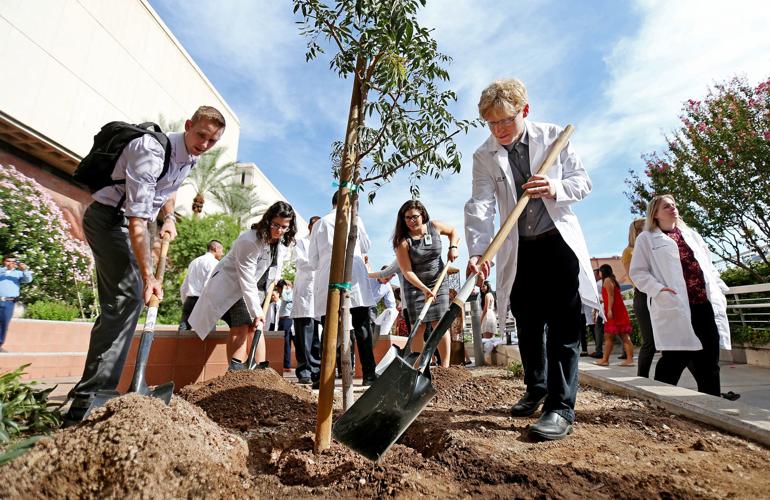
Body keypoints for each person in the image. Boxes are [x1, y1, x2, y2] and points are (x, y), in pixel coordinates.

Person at [64, 106, 226, 425]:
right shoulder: (150, 150)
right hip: (111, 219)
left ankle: (99, 389)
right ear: (188, 125)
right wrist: (149, 275)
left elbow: (170, 186)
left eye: (212, 141)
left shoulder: (189, 156)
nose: (205, 145)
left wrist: (168, 218)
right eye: (201, 135)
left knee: (130, 302)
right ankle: (88, 399)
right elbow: (136, 220)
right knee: (126, 299)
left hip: (134, 223)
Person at [465, 78, 599, 441]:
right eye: (492, 124)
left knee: (562, 326)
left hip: (557, 243)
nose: (500, 130)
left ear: (525, 110)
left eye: (506, 121)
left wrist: (555, 188)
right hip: (519, 249)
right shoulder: (484, 155)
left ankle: (560, 407)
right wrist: (478, 251)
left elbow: (582, 182)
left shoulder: (554, 137)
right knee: (526, 320)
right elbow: (480, 205)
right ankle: (536, 386)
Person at [629, 194, 730, 396]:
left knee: (709, 359)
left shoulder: (691, 235)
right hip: (675, 304)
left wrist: (718, 288)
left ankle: (713, 405)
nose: (672, 208)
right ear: (655, 214)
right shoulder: (646, 239)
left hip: (703, 303)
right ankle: (660, 401)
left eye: (674, 205)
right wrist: (658, 289)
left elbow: (708, 265)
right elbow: (638, 272)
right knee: (674, 359)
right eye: (666, 206)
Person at [190, 201, 296, 370]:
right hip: (236, 287)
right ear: (268, 220)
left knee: (255, 328)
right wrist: (257, 311)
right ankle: (235, 373)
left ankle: (260, 373)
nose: (279, 230)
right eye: (276, 225)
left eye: (284, 227)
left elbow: (275, 267)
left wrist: (273, 285)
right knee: (242, 326)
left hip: (259, 290)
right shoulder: (250, 240)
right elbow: (246, 279)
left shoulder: (280, 242)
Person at [309, 192, 377, 385]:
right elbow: (366, 246)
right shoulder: (355, 220)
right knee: (362, 325)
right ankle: (369, 375)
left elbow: (312, 260)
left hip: (327, 277)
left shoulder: (319, 224)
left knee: (329, 328)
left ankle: (324, 378)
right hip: (353, 276)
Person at [393, 200, 459, 368]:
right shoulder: (403, 242)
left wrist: (453, 247)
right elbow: (407, 271)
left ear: (422, 215)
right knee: (419, 327)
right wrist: (423, 288)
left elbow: (453, 231)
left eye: (414, 217)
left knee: (440, 324)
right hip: (415, 287)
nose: (411, 221)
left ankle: (445, 368)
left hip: (439, 281)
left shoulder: (434, 226)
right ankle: (420, 367)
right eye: (406, 218)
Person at [622, 218, 656, 377]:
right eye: (641, 227)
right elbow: (632, 277)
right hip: (643, 295)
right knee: (650, 341)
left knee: (673, 341)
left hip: (659, 295)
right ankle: (642, 378)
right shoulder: (629, 251)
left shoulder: (654, 246)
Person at [292, 216, 321, 385]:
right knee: (304, 335)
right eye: (314, 225)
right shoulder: (301, 242)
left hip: (319, 295)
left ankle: (316, 370)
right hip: (305, 295)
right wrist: (319, 263)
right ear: (309, 227)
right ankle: (304, 371)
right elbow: (302, 263)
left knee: (316, 338)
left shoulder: (324, 244)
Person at [593, 264, 635, 367]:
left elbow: (611, 296)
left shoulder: (607, 280)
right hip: (618, 311)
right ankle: (629, 360)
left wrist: (609, 310)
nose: (599, 273)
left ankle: (605, 360)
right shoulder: (612, 280)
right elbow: (611, 296)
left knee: (608, 336)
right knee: (624, 336)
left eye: (600, 271)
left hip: (614, 312)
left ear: (603, 272)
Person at [179, 240, 224, 332]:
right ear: (216, 248)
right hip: (204, 300)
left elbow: (184, 285)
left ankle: (178, 346)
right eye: (221, 250)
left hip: (190, 300)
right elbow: (209, 285)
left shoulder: (194, 262)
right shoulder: (214, 263)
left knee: (183, 332)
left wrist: (186, 302)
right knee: (208, 334)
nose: (222, 254)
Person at [0, 254, 33, 351]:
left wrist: (25, 270)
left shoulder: (18, 273)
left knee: (4, 324)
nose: (11, 263)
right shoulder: (1, 271)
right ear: (4, 262)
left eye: (13, 261)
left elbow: (28, 280)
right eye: (8, 261)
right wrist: (5, 269)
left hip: (9, 302)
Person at [369, 267, 399, 337]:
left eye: (389, 280)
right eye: (386, 279)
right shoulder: (369, 279)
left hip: (371, 309)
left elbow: (392, 305)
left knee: (371, 328)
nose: (387, 282)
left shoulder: (387, 287)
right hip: (358, 305)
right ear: (381, 274)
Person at [276, 279, 294, 370]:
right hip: (282, 320)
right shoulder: (286, 293)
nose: (278, 291)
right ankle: (284, 364)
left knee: (286, 342)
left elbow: (286, 299)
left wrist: (284, 288)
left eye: (279, 288)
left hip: (287, 319)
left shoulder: (290, 293)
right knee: (282, 342)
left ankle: (286, 365)